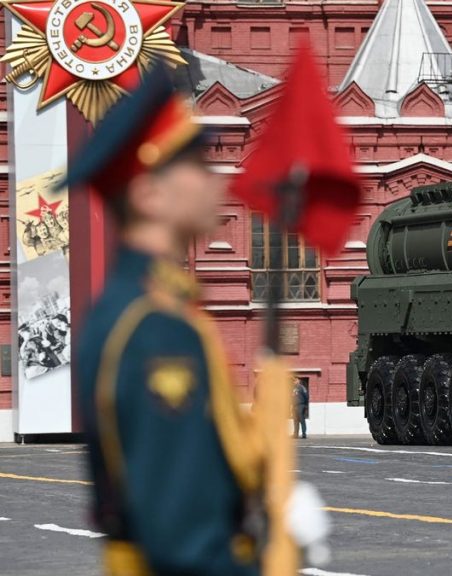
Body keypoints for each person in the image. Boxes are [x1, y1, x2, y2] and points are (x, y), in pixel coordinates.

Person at [71, 67, 278, 575]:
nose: (213, 179)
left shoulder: (143, 309)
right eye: (195, 165)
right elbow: (184, 543)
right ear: (148, 195)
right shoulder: (154, 329)